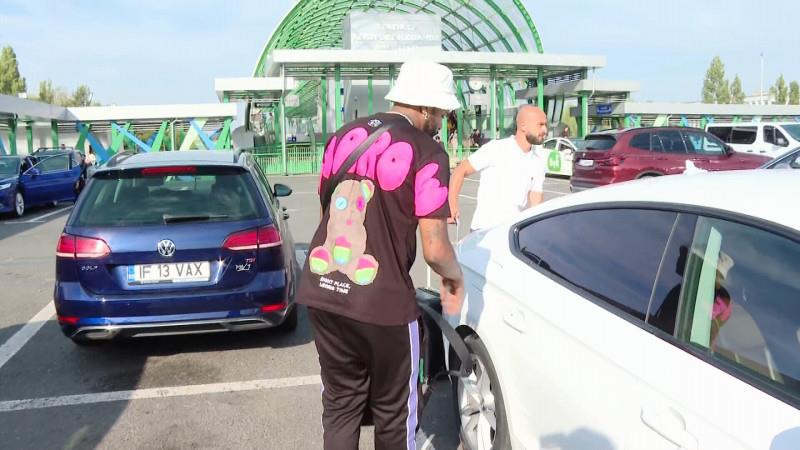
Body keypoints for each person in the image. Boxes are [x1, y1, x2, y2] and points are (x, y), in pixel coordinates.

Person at [297, 60, 465, 450]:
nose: (441, 121)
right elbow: (436, 248)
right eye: (440, 112)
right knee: (395, 412)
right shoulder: (428, 152)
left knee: (341, 405)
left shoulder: (344, 136)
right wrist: (454, 276)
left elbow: (327, 216)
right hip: (383, 303)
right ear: (425, 107)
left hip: (322, 291)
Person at [448, 105, 548, 231]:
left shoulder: (538, 161)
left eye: (545, 125)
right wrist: (452, 205)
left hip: (510, 234)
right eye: (540, 124)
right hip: (483, 230)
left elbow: (536, 204)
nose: (545, 129)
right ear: (523, 126)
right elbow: (460, 171)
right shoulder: (496, 149)